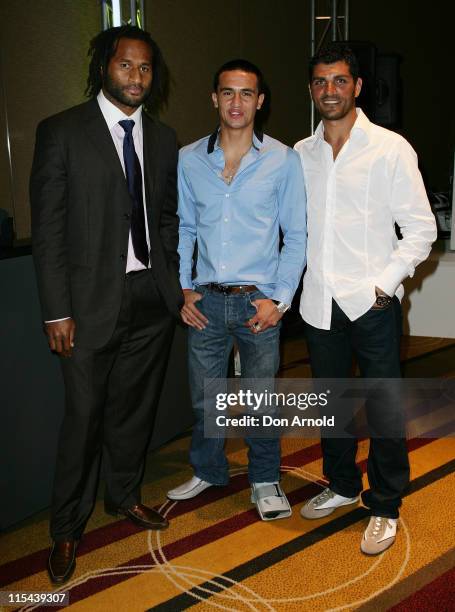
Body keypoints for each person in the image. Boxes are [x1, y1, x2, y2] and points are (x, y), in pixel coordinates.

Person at [30, 25, 183, 585]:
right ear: (104, 68)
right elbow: (48, 232)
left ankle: (123, 496)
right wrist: (55, 311)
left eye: (145, 68)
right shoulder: (62, 132)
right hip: (87, 306)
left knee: (134, 411)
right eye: (126, 66)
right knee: (83, 420)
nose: (137, 77)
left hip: (149, 299)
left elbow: (165, 217)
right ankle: (66, 527)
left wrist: (171, 280)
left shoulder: (163, 139)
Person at [294, 44, 437, 554]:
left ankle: (385, 505)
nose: (328, 90)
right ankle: (341, 485)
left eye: (338, 81)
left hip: (371, 302)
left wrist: (384, 284)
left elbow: (421, 229)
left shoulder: (390, 147)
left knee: (383, 409)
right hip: (318, 302)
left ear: (357, 86)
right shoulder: (299, 154)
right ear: (311, 90)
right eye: (319, 82)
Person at [167, 59, 307, 520]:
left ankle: (264, 478)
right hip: (205, 299)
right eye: (228, 92)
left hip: (257, 302)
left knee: (260, 398)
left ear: (260, 101)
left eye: (247, 93)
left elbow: (297, 236)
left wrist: (280, 300)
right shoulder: (189, 158)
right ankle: (208, 470)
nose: (237, 102)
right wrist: (184, 289)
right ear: (214, 98)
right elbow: (185, 228)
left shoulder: (283, 160)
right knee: (204, 395)